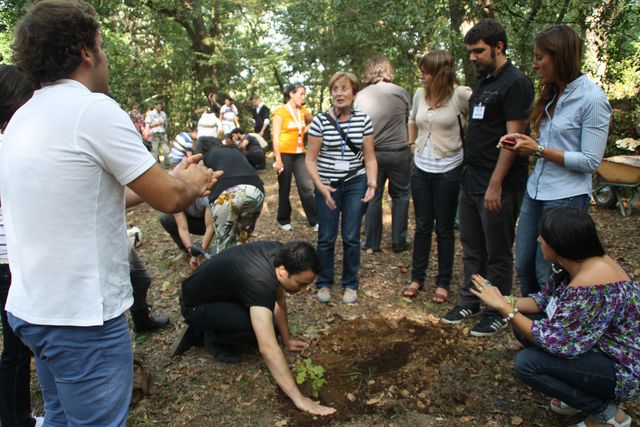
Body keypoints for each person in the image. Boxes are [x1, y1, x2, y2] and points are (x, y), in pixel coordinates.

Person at [0, 2, 218, 425]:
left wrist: (166, 178)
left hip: (33, 311)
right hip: (82, 322)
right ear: (86, 51)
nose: (105, 56)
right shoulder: (92, 110)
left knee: (60, 416)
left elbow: (85, 198)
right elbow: (171, 200)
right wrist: (189, 183)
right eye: (101, 45)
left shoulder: (23, 118)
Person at [470, 207, 637, 427]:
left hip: (624, 366)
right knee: (523, 325)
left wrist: (504, 309)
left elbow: (558, 344)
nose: (539, 240)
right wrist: (505, 300)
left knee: (527, 364)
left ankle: (606, 414)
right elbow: (545, 301)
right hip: (599, 348)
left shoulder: (590, 283)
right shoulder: (573, 263)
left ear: (560, 243)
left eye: (544, 237)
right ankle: (582, 395)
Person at [500, 25, 612, 297]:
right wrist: (520, 143)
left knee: (547, 273)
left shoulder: (592, 99)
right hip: (536, 191)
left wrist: (538, 149)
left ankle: (551, 335)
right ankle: (533, 333)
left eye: (540, 58)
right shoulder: (551, 95)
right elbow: (548, 145)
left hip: (567, 198)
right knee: (524, 265)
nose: (535, 65)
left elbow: (590, 161)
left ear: (560, 56)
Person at [441, 19, 534, 337]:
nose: (473, 57)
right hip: (472, 178)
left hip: (500, 184)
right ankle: (471, 300)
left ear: (499, 47)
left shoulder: (516, 83)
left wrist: (496, 184)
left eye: (478, 51)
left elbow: (514, 139)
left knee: (497, 250)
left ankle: (498, 309)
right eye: (470, 52)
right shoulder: (482, 81)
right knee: (472, 246)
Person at [173, 240, 336, 417]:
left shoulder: (281, 254)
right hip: (194, 306)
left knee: (269, 323)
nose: (304, 290)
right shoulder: (259, 281)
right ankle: (207, 336)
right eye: (301, 284)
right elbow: (267, 348)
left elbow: (279, 299)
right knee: (255, 329)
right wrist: (299, 399)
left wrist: (287, 340)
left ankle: (213, 322)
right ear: (283, 271)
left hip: (218, 295)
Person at [402, 50, 472, 304]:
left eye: (425, 72)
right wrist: (412, 144)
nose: (421, 76)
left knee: (443, 228)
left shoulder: (460, 96)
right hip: (421, 169)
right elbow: (412, 119)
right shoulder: (420, 94)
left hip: (449, 171)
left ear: (440, 74)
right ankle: (417, 277)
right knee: (422, 226)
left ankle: (443, 282)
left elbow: (477, 122)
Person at [306, 71, 377, 304]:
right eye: (335, 89)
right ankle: (324, 282)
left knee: (351, 236)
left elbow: (369, 158)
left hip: (355, 182)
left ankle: (350, 284)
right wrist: (321, 187)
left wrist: (372, 183)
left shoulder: (363, 120)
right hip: (327, 184)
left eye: (344, 88)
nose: (339, 93)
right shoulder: (319, 121)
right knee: (326, 237)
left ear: (354, 93)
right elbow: (310, 160)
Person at [0, 65, 41, 427]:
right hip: (8, 257)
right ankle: (16, 419)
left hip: (11, 255)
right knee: (16, 346)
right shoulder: (9, 144)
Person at [354, 55, 411, 253]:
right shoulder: (401, 93)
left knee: (373, 195)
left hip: (373, 155)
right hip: (398, 152)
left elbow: (357, 128)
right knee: (401, 195)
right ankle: (399, 241)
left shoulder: (360, 96)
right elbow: (408, 119)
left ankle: (371, 242)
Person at [203, 143, 265, 258]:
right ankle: (242, 266)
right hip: (256, 190)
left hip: (228, 193)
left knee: (223, 244)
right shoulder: (236, 152)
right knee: (242, 237)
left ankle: (225, 271)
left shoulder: (207, 157)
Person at [272, 83, 317, 231]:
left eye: (304, 94)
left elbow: (314, 121)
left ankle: (314, 220)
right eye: (301, 94)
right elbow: (275, 137)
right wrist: (278, 160)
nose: (303, 97)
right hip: (284, 154)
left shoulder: (303, 110)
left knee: (306, 187)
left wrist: (307, 128)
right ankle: (283, 219)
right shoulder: (280, 112)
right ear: (292, 94)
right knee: (284, 187)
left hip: (299, 154)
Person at [128, 244, 170, 332]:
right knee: (139, 279)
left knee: (141, 279)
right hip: (105, 248)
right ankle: (141, 322)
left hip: (117, 240)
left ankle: (141, 322)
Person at [159, 196, 213, 263]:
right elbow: (183, 228)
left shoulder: (206, 196)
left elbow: (210, 227)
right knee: (166, 219)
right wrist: (192, 251)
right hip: (193, 220)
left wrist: (201, 252)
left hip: (211, 221)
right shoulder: (174, 197)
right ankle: (185, 251)